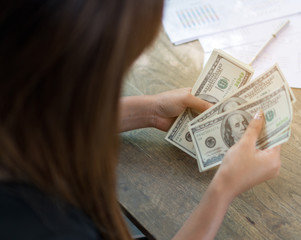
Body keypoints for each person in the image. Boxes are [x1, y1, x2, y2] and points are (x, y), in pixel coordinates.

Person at [0, 1, 281, 240]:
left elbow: (37, 115)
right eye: (121, 70)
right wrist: (223, 190)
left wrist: (148, 111)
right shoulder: (48, 224)